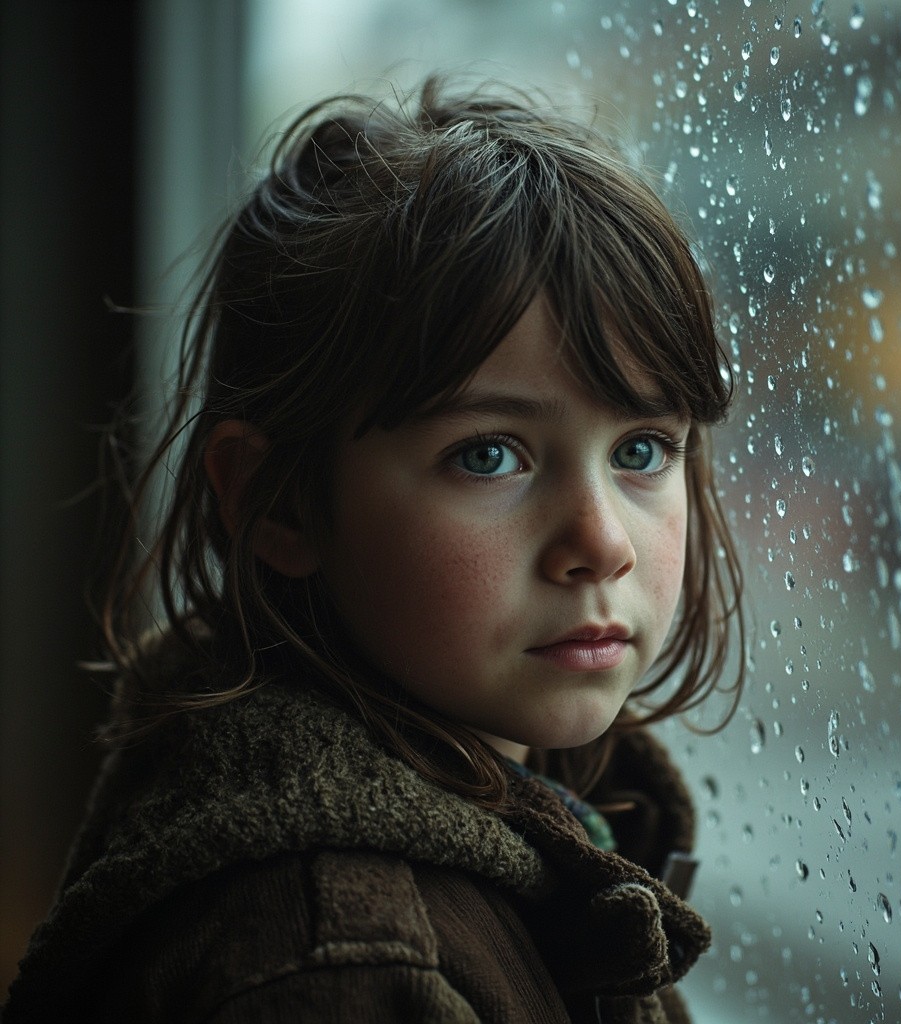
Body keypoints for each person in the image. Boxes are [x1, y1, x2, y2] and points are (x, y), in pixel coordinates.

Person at [3, 74, 744, 1023]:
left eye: (642, 450)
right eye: (489, 455)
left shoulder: (538, 802)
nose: (600, 543)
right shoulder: (336, 968)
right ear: (282, 505)